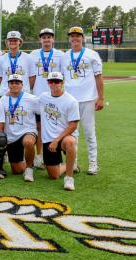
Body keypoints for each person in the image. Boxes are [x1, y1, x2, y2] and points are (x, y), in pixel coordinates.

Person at [61, 26, 104, 175]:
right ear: (69, 39)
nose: (75, 38)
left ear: (82, 38)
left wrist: (101, 98)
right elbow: (61, 80)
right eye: (72, 36)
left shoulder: (92, 55)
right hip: (70, 100)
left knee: (89, 132)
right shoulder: (64, 57)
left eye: (77, 36)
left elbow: (98, 77)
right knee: (72, 133)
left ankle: (93, 164)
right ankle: (74, 163)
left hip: (87, 99)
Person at [37, 72, 79, 191]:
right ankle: (69, 165)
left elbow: (73, 126)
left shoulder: (71, 101)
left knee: (70, 142)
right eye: (51, 81)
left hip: (64, 137)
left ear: (62, 82)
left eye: (57, 81)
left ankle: (69, 178)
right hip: (48, 139)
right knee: (53, 175)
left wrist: (57, 140)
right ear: (48, 83)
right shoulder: (43, 97)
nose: (54, 84)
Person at [30, 28, 64, 169]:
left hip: (54, 97)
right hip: (38, 97)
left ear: (53, 39)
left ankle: (58, 156)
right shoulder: (32, 54)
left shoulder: (60, 55)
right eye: (44, 37)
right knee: (39, 127)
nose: (46, 40)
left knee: (55, 126)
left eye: (49, 37)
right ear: (40, 40)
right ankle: (39, 156)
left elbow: (63, 77)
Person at [0, 74, 39, 182]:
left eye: (17, 83)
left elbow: (42, 113)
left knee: (28, 142)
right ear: (8, 85)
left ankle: (29, 169)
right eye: (11, 83)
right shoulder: (3, 99)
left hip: (27, 132)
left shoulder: (32, 99)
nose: (14, 85)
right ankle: (29, 160)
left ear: (22, 85)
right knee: (16, 170)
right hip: (11, 137)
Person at [0, 31, 36, 95]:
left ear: (19, 42)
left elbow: (32, 77)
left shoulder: (28, 58)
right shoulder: (1, 59)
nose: (12, 42)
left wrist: (23, 90)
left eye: (15, 40)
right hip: (6, 94)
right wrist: (9, 89)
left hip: (23, 95)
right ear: (7, 42)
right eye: (10, 40)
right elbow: (0, 78)